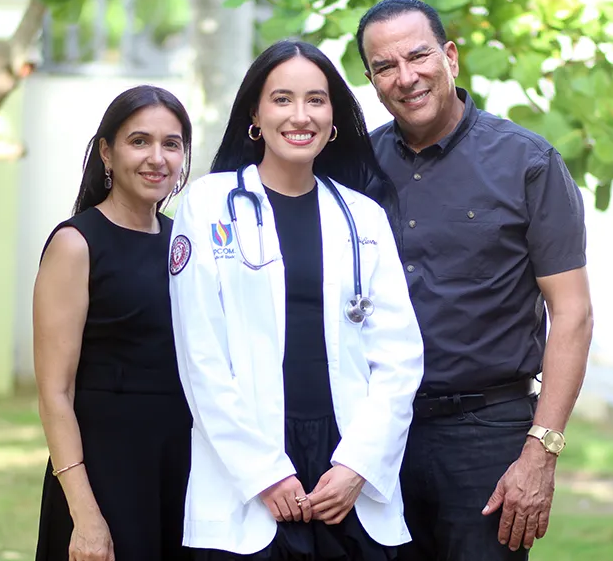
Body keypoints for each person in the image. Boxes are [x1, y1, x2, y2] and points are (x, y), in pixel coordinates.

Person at [355, 0, 595, 560]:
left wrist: (540, 452)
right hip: (376, 435)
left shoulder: (528, 163)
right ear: (370, 79)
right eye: (385, 67)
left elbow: (574, 314)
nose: (406, 77)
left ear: (451, 57)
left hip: (487, 435)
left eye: (418, 56)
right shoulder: (354, 169)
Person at [167, 39, 424, 560]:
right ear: (255, 116)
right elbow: (201, 359)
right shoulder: (209, 206)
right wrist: (265, 473)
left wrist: (357, 465)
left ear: (333, 119)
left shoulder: (363, 218)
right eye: (282, 99)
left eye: (316, 100)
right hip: (249, 472)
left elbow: (400, 359)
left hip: (345, 470)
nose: (300, 115)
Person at [33, 85, 194, 561]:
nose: (157, 158)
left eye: (172, 143)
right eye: (139, 141)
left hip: (182, 470)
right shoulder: (76, 243)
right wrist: (84, 513)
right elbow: (54, 393)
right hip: (105, 473)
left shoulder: (186, 241)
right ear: (107, 151)